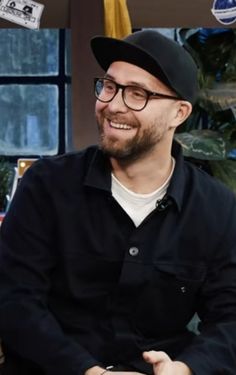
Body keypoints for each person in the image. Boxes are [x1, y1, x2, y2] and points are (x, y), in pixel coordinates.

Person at [0, 29, 236, 375]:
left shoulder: (217, 209)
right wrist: (87, 371)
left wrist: (187, 369)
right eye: (109, 86)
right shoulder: (47, 186)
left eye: (137, 94)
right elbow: (13, 300)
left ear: (179, 113)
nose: (112, 104)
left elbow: (231, 319)